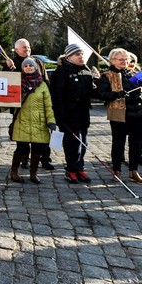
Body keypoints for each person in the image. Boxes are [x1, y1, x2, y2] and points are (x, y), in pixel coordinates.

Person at [95, 48, 142, 184]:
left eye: (126, 59)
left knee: (136, 143)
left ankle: (134, 170)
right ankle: (117, 170)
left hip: (138, 112)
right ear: (112, 60)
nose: (124, 62)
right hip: (119, 113)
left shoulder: (135, 73)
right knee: (118, 143)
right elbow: (101, 94)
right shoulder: (107, 75)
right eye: (121, 59)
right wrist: (118, 94)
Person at [4, 38, 55, 170]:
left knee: (43, 136)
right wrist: (10, 69)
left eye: (28, 47)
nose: (27, 49)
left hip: (39, 105)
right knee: (23, 137)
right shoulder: (12, 63)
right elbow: (7, 84)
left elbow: (45, 80)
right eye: (24, 48)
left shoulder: (38, 61)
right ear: (16, 50)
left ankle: (45, 159)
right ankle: (24, 159)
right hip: (21, 107)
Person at [50, 44, 96, 184]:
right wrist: (59, 117)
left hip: (83, 114)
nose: (81, 57)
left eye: (82, 54)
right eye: (77, 55)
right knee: (73, 144)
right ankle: (71, 170)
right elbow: (56, 96)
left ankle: (79, 167)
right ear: (69, 57)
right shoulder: (61, 72)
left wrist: (99, 83)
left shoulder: (86, 71)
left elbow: (92, 92)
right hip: (68, 115)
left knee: (83, 143)